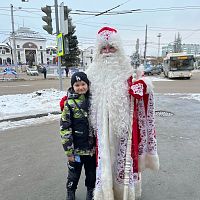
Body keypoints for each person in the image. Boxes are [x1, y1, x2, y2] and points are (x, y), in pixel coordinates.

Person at [85, 27, 160, 200]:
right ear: (98, 51)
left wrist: (142, 86)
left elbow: (143, 85)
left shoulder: (126, 70)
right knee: (103, 161)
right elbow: (78, 90)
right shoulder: (91, 73)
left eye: (111, 48)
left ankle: (123, 193)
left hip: (123, 128)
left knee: (122, 162)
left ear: (118, 49)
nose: (107, 52)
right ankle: (105, 192)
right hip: (101, 129)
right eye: (103, 48)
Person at [59, 72, 96, 200]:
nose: (80, 87)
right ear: (72, 86)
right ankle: (70, 191)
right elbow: (65, 129)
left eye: (83, 84)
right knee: (74, 174)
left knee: (91, 173)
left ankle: (91, 191)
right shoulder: (69, 104)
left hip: (91, 150)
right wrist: (69, 152)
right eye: (77, 85)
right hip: (76, 150)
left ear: (88, 84)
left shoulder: (94, 101)